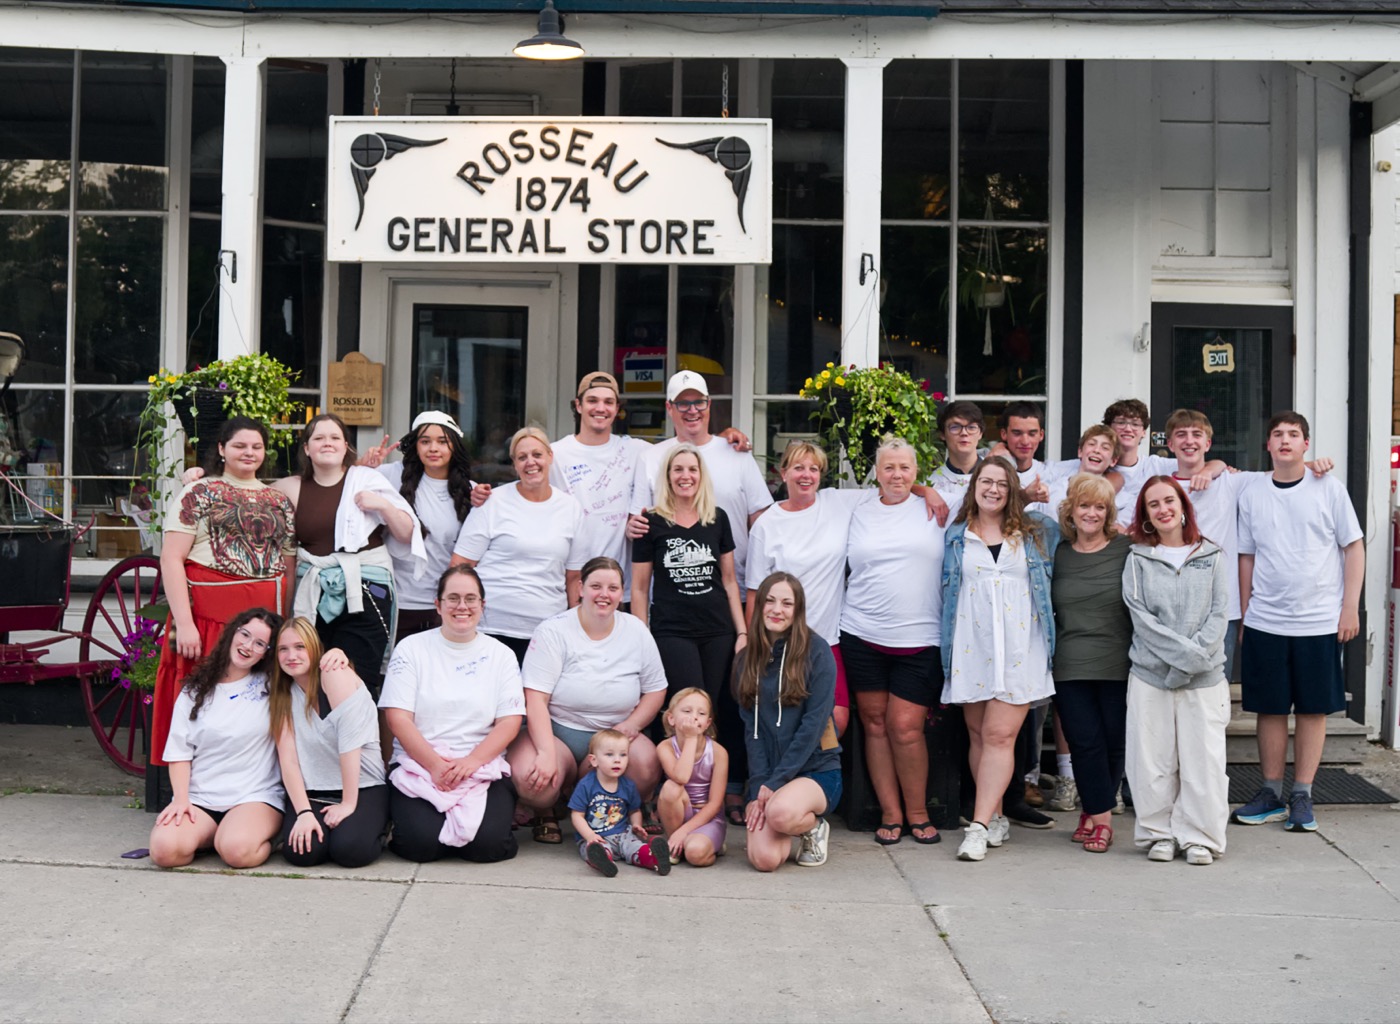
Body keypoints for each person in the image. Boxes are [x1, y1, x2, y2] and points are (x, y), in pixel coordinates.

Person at [1232, 412, 1364, 835]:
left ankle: (1302, 794)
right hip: (1267, 619)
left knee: (1311, 708)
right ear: (1267, 445)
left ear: (1306, 444)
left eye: (1293, 434)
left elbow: (1354, 547)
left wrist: (1350, 608)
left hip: (1319, 619)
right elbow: (1247, 556)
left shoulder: (1328, 488)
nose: (1285, 440)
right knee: (1269, 708)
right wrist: (1246, 612)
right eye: (1277, 434)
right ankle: (1270, 792)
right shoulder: (1252, 492)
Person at [152, 417, 297, 773]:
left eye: (257, 446)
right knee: (203, 697)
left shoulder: (279, 501)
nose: (249, 452)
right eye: (240, 446)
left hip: (265, 621)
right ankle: (193, 783)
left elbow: (289, 567)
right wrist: (185, 624)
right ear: (222, 449)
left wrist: (286, 625)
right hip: (207, 620)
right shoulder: (199, 493)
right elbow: (171, 558)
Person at [942, 456, 1060, 862]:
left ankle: (976, 827)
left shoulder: (1036, 532)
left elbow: (1085, 537)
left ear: (1013, 492)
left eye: (1002, 484)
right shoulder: (956, 536)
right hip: (972, 646)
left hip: (1020, 649)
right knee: (979, 736)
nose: (993, 489)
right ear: (973, 486)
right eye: (985, 481)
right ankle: (993, 816)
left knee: (999, 736)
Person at [508, 556, 668, 844]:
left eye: (613, 588)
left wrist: (633, 724)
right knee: (532, 778)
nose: (604, 595)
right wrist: (545, 752)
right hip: (560, 732)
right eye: (596, 586)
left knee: (646, 766)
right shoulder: (553, 630)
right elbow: (535, 697)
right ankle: (546, 808)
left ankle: (615, 809)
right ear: (580, 587)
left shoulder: (636, 630)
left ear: (622, 592)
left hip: (613, 734)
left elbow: (656, 689)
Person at [839, 437, 947, 846]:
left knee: (906, 728)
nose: (897, 475)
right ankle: (890, 812)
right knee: (875, 725)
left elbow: (991, 495)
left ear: (916, 471)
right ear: (876, 472)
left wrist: (927, 491)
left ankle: (918, 812)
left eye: (905, 468)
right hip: (862, 633)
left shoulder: (937, 506)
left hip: (920, 638)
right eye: (889, 468)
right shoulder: (857, 507)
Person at [631, 442, 748, 818]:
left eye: (692, 470)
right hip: (672, 631)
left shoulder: (718, 518)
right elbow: (638, 588)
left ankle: (713, 793)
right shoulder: (651, 521)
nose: (685, 476)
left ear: (701, 476)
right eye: (677, 470)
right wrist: (640, 638)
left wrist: (742, 632)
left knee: (712, 711)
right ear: (667, 476)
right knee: (683, 710)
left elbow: (730, 582)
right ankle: (671, 792)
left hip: (718, 630)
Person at [378, 565, 525, 863]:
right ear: (438, 604)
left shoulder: (501, 655)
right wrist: (434, 765)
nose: (462, 606)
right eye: (453, 598)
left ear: (483, 606)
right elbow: (398, 718)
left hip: (480, 765)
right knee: (421, 846)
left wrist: (471, 762)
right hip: (419, 765)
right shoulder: (411, 649)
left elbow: (509, 721)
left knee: (488, 848)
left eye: (471, 599)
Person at [1123, 476, 1230, 865]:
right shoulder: (1137, 559)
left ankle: (1200, 836)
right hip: (1151, 676)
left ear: (1183, 505)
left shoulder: (1213, 555)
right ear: (1146, 515)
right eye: (1154, 505)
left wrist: (1190, 664)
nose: (1163, 509)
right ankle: (1159, 833)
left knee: (1203, 760)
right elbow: (1142, 620)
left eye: (1169, 500)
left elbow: (1219, 616)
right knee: (1152, 760)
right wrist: (1178, 664)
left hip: (1204, 678)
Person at [283, 413, 425, 682]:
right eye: (319, 438)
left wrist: (382, 505)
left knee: (355, 678)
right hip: (314, 593)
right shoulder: (292, 487)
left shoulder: (366, 480)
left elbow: (408, 533)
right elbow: (246, 492)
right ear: (306, 448)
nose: (327, 443)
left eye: (335, 437)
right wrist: (198, 476)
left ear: (346, 446)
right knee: (311, 678)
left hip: (366, 590)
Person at [149, 609, 287, 869]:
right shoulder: (195, 690)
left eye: (259, 643)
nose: (247, 646)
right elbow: (180, 752)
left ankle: (255, 837)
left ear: (267, 652)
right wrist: (181, 800)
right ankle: (216, 834)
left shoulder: (274, 687)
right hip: (201, 799)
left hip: (254, 796)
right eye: (244, 634)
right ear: (232, 632)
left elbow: (305, 667)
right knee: (164, 852)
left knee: (237, 853)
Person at [451, 426, 590, 664]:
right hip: (490, 629)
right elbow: (460, 565)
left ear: (550, 457)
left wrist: (574, 628)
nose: (530, 463)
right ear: (514, 464)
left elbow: (574, 576)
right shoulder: (493, 502)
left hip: (547, 631)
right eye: (522, 457)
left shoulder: (570, 508)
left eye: (537, 455)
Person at [629, 370, 773, 594]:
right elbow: (638, 523)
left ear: (709, 404)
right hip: (672, 595)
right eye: (683, 404)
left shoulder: (737, 453)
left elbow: (761, 522)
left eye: (699, 402)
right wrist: (632, 527)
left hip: (735, 589)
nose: (693, 410)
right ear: (669, 408)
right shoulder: (650, 458)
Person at [737, 572, 841, 871]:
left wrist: (775, 784)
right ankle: (788, 818)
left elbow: (812, 728)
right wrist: (759, 788)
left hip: (815, 771)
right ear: (759, 607)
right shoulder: (746, 659)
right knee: (764, 860)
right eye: (769, 601)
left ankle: (812, 827)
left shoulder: (817, 652)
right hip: (771, 777)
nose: (776, 610)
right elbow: (752, 732)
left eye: (786, 603)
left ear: (797, 611)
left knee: (780, 813)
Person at [1051, 474, 1132, 854]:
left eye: (1100, 507)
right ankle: (1103, 820)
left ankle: (1092, 811)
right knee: (1084, 742)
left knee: (1114, 742)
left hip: (1119, 662)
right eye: (1084, 505)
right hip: (1070, 663)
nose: (1091, 513)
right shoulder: (1057, 551)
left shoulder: (1127, 548)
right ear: (1071, 509)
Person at [270, 617, 389, 869]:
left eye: (300, 647)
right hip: (316, 790)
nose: (292, 655)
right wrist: (303, 813)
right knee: (302, 852)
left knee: (351, 850)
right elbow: (288, 760)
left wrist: (348, 804)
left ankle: (381, 822)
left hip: (362, 785)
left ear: (314, 648)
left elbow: (349, 744)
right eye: (283, 649)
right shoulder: (282, 693)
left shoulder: (334, 675)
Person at [375, 410, 476, 638]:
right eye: (425, 441)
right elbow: (347, 480)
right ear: (415, 446)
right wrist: (366, 464)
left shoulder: (471, 490)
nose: (433, 448)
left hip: (446, 608)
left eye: (442, 441)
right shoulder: (390, 475)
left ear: (454, 446)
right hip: (397, 603)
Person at [567, 728, 671, 877]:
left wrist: (636, 825)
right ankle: (603, 860)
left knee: (634, 846)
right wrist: (589, 835)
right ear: (593, 760)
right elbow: (577, 815)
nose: (617, 760)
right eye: (609, 755)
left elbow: (634, 810)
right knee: (597, 849)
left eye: (623, 755)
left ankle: (651, 858)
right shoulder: (586, 785)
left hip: (623, 834)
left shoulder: (628, 785)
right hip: (596, 836)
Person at [656, 687, 729, 867]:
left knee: (695, 854)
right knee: (670, 788)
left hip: (708, 817)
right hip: (679, 813)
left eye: (701, 713)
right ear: (671, 718)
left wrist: (685, 831)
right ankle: (676, 845)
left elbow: (715, 803)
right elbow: (681, 777)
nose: (694, 716)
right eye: (687, 711)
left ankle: (707, 844)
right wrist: (691, 739)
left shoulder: (719, 752)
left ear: (707, 723)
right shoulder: (664, 747)